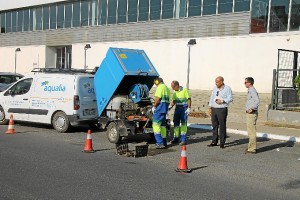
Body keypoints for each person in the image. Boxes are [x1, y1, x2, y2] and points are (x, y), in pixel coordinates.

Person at [208, 76, 233, 149]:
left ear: (222, 82)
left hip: (222, 109)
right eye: (215, 82)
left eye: (217, 82)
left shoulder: (227, 88)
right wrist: (210, 107)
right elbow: (212, 97)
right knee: (214, 125)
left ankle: (222, 142)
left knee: (222, 126)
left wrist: (222, 101)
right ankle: (214, 141)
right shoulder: (215, 88)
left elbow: (230, 98)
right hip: (214, 108)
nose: (216, 83)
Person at [169, 80, 191, 145]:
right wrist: (170, 107)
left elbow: (189, 99)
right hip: (177, 109)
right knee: (176, 123)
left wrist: (189, 108)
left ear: (177, 86)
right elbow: (174, 101)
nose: (172, 88)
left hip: (184, 109)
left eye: (173, 87)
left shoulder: (184, 90)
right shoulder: (175, 92)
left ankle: (183, 139)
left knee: (183, 124)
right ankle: (176, 138)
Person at [152, 77, 170, 149]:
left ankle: (159, 143)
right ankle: (164, 142)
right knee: (162, 126)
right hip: (164, 109)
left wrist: (154, 106)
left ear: (157, 82)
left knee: (156, 125)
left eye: (155, 83)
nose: (155, 85)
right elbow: (168, 100)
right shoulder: (167, 88)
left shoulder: (160, 87)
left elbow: (158, 99)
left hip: (159, 109)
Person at [244, 77, 260, 154]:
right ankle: (250, 147)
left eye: (245, 82)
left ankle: (252, 148)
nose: (244, 84)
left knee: (251, 131)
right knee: (250, 130)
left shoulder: (252, 90)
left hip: (251, 113)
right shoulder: (250, 90)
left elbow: (257, 100)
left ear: (249, 83)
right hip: (250, 113)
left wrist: (252, 109)